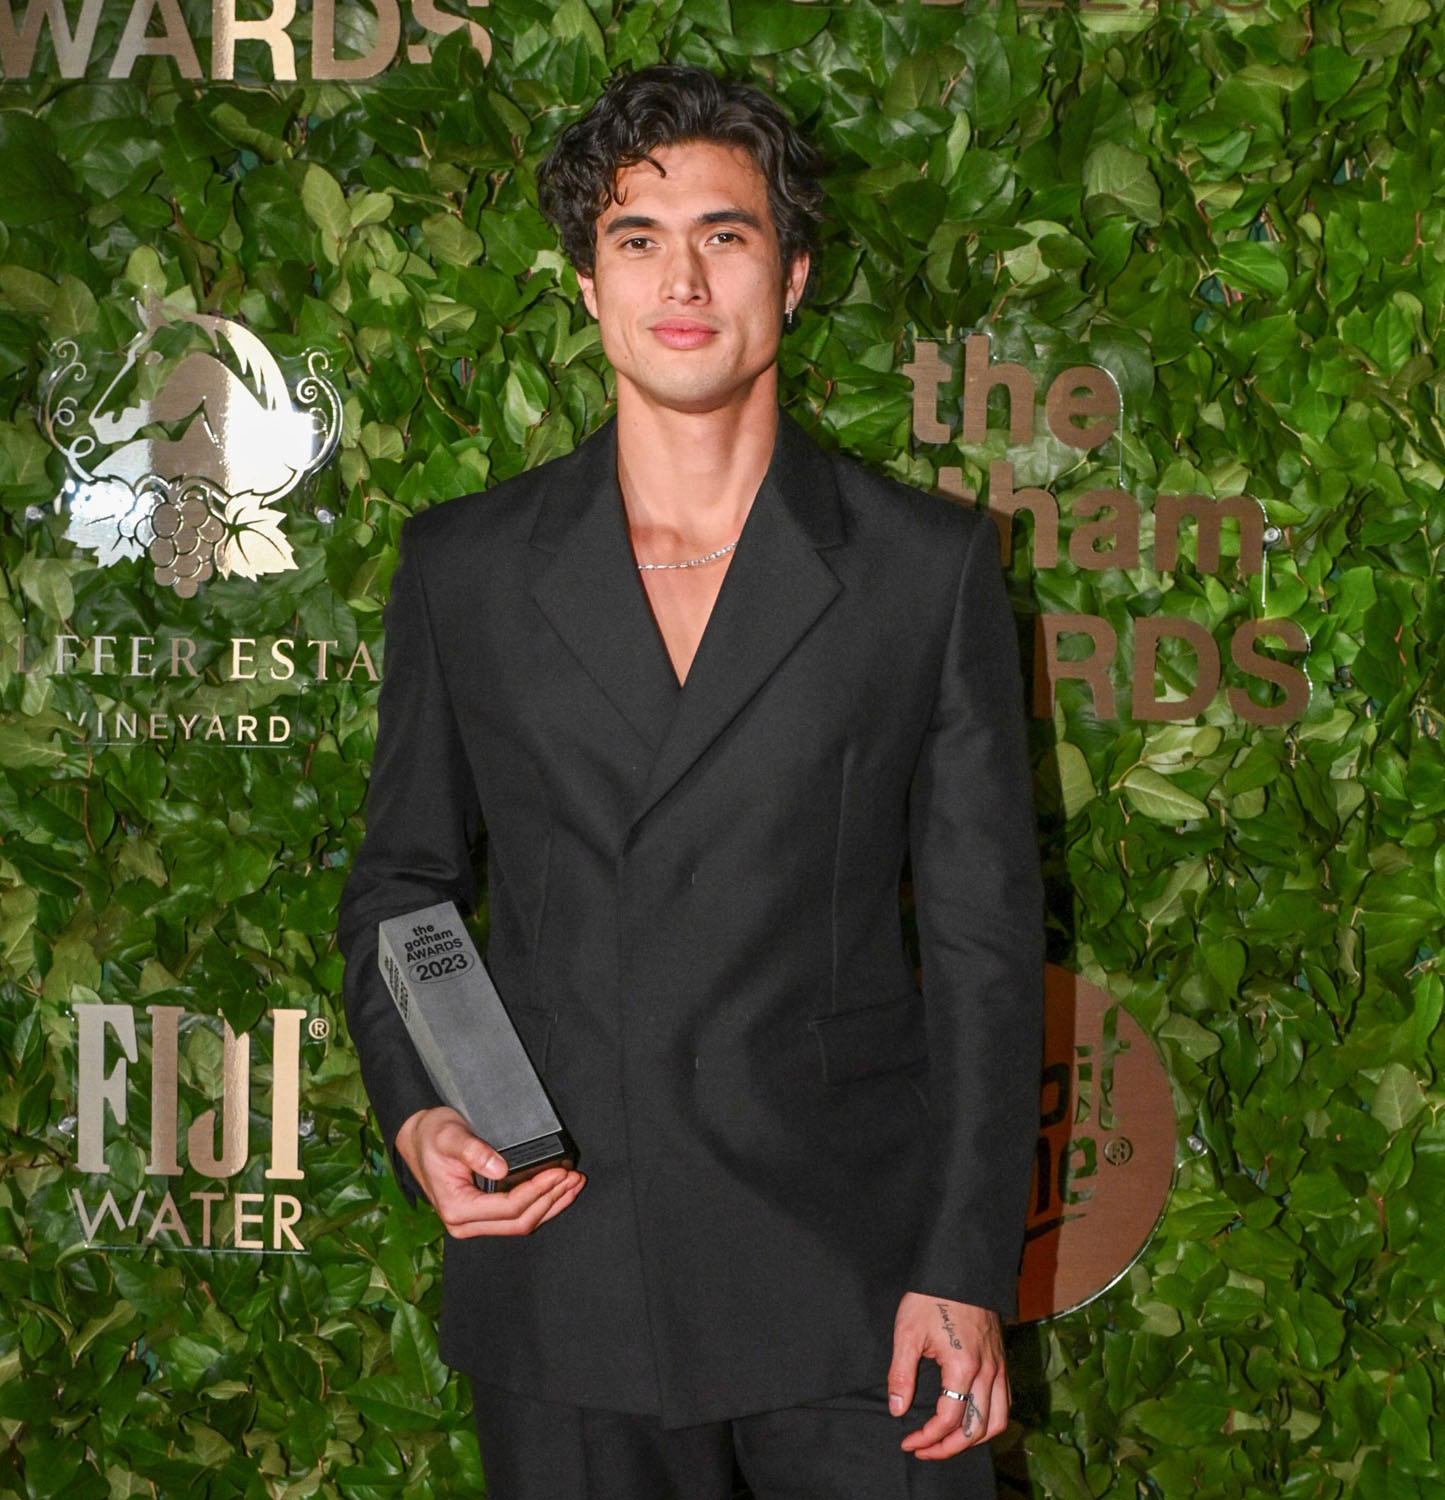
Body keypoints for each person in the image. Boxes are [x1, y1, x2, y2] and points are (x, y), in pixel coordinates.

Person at [339, 63, 1043, 1500]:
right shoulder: (468, 568)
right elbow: (405, 886)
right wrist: (423, 1111)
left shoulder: (921, 568)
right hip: (566, 1260)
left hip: (855, 1278)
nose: (681, 279)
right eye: (635, 238)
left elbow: (982, 951)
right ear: (587, 286)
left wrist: (963, 1266)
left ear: (791, 277)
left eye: (724, 235)